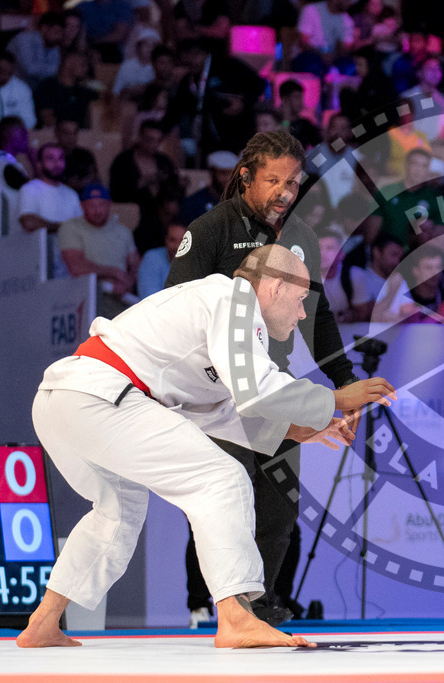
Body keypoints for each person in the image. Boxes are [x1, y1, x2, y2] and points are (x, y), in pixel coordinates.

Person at [17, 245, 395, 650]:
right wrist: (335, 398)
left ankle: (42, 623)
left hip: (67, 399)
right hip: (102, 395)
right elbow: (256, 390)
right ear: (274, 285)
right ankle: (235, 616)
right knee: (220, 477)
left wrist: (294, 428)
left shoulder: (221, 317)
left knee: (117, 512)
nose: (303, 315)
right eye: (301, 300)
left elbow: (210, 409)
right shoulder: (232, 298)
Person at [165, 130, 360, 625]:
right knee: (226, 498)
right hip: (218, 390)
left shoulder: (302, 238)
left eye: (293, 182)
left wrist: (344, 382)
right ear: (247, 176)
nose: (285, 192)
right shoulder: (211, 229)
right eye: (274, 179)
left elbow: (316, 316)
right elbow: (173, 307)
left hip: (276, 386)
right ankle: (204, 605)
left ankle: (258, 602)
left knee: (279, 506)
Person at [58, 182, 140, 318]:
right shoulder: (71, 227)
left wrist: (128, 282)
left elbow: (135, 265)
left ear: (109, 205)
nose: (97, 210)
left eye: (101, 204)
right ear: (82, 205)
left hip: (120, 300)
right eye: (92, 205)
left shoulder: (123, 231)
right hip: (81, 301)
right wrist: (114, 273)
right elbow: (76, 267)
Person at [19, 143, 83, 279]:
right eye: (50, 159)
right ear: (40, 164)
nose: (57, 164)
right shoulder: (30, 189)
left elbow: (81, 229)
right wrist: (63, 227)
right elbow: (28, 222)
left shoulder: (71, 194)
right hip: (37, 267)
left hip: (67, 266)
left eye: (60, 158)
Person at [8, 11, 64, 90]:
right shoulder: (24, 40)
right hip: (12, 87)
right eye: (56, 32)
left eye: (61, 33)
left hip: (34, 89)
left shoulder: (54, 46)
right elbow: (30, 69)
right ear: (44, 28)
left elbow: (54, 70)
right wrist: (46, 70)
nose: (59, 37)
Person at [180, 150, 238, 225]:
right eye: (223, 173)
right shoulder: (194, 203)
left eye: (232, 174)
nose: (228, 179)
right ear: (212, 173)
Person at [137, 221, 187, 299]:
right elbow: (150, 300)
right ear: (166, 240)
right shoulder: (152, 258)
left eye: (182, 241)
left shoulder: (196, 262)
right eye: (172, 240)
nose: (177, 246)